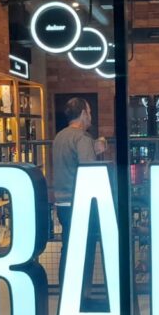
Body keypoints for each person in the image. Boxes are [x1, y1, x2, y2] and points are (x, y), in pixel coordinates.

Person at [52, 97, 105, 291]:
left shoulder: (59, 137)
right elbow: (89, 170)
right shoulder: (83, 138)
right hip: (80, 204)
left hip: (62, 204)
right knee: (85, 251)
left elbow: (71, 162)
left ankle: (66, 292)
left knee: (68, 249)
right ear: (83, 113)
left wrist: (93, 148)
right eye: (89, 112)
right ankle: (82, 295)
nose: (91, 116)